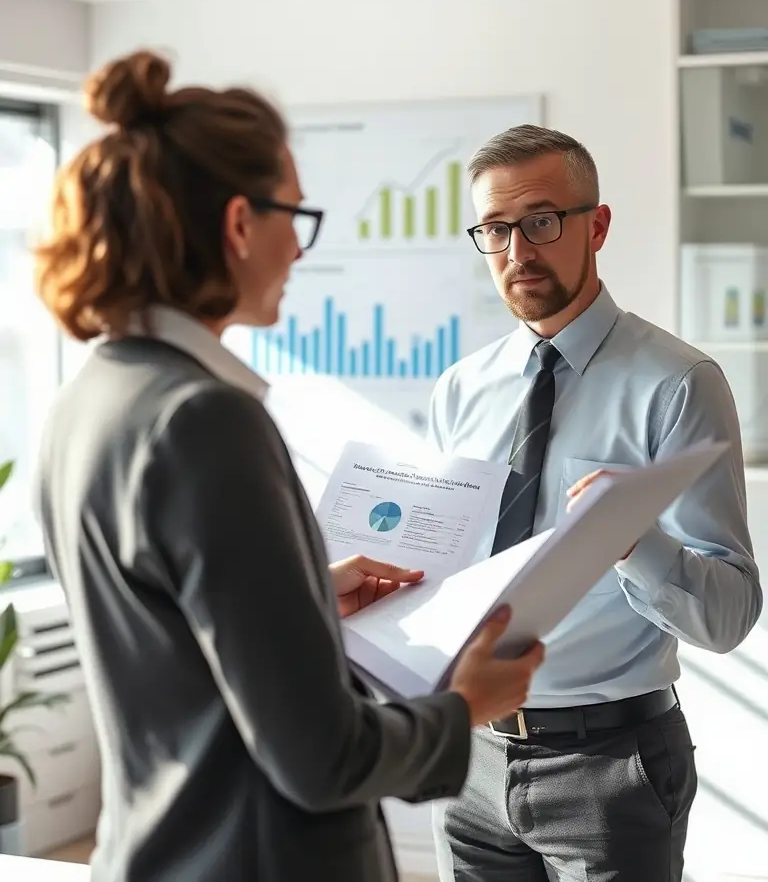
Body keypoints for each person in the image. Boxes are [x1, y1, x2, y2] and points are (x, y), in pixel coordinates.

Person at [32, 52, 545, 882]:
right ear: (239, 225)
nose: (299, 251)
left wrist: (301, 595)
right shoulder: (206, 421)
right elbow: (322, 757)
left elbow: (170, 642)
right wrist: (463, 709)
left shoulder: (87, 399)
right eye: (294, 215)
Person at [428, 124, 763, 882]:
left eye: (542, 221)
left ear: (598, 226)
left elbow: (729, 616)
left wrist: (630, 537)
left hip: (611, 768)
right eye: (495, 229)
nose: (518, 251)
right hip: (469, 756)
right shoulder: (460, 389)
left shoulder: (678, 384)